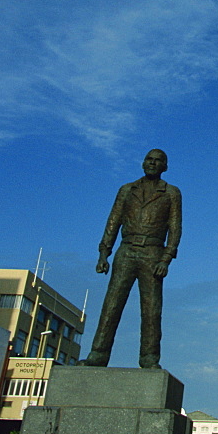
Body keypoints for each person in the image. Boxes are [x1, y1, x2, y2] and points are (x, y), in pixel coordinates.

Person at [81, 149, 182, 369]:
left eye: (158, 161)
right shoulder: (127, 190)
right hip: (126, 251)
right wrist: (103, 253)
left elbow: (175, 228)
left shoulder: (171, 193)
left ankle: (149, 358)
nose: (153, 163)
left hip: (153, 253)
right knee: (111, 304)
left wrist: (166, 258)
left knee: (152, 309)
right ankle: (98, 354)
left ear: (165, 167)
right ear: (143, 163)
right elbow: (113, 221)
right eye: (149, 159)